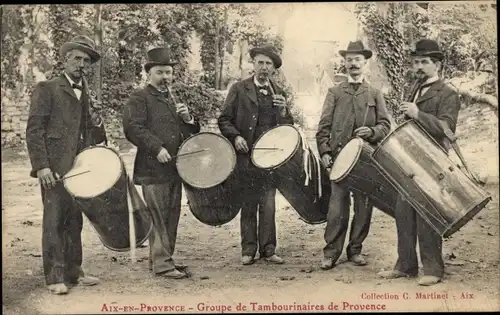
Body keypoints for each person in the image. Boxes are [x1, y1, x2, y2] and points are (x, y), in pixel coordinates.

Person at [26, 35, 107, 295]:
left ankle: (74, 271)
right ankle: (55, 277)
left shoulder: (88, 94)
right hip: (55, 168)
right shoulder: (47, 88)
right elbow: (34, 130)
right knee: (54, 220)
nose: (81, 64)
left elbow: (94, 136)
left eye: (86, 60)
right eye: (77, 58)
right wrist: (42, 167)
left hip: (80, 167)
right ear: (65, 60)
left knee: (75, 220)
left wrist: (96, 121)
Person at [378, 39, 461, 286]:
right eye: (416, 63)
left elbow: (448, 130)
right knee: (403, 212)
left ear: (437, 65)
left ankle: (433, 269)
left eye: (425, 62)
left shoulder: (448, 93)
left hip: (432, 160)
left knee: (427, 214)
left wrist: (418, 114)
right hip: (409, 158)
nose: (419, 67)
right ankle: (405, 266)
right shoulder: (414, 88)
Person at [123, 47, 200, 279]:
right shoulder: (140, 97)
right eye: (160, 72)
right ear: (149, 73)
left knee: (171, 215)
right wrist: (157, 148)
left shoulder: (171, 98)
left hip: (175, 168)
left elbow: (189, 131)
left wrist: (188, 119)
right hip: (153, 168)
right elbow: (133, 128)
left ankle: (163, 260)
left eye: (168, 72)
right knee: (158, 215)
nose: (165, 77)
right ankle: (163, 264)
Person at [316, 41, 391, 270]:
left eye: (358, 59)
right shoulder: (335, 92)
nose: (353, 64)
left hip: (366, 160)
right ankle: (331, 252)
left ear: (365, 63)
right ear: (344, 63)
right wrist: (325, 152)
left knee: (363, 206)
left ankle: (355, 249)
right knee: (337, 207)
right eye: (349, 60)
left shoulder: (375, 93)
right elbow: (323, 127)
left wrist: (372, 132)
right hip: (339, 159)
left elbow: (386, 125)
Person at [218, 45, 294, 266]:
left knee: (268, 204)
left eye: (268, 64)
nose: (263, 67)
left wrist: (283, 111)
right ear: (253, 65)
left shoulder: (279, 92)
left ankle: (268, 250)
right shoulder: (239, 89)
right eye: (260, 62)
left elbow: (287, 128)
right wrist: (235, 137)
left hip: (270, 159)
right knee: (249, 203)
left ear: (274, 69)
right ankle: (248, 250)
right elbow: (224, 119)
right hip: (246, 155)